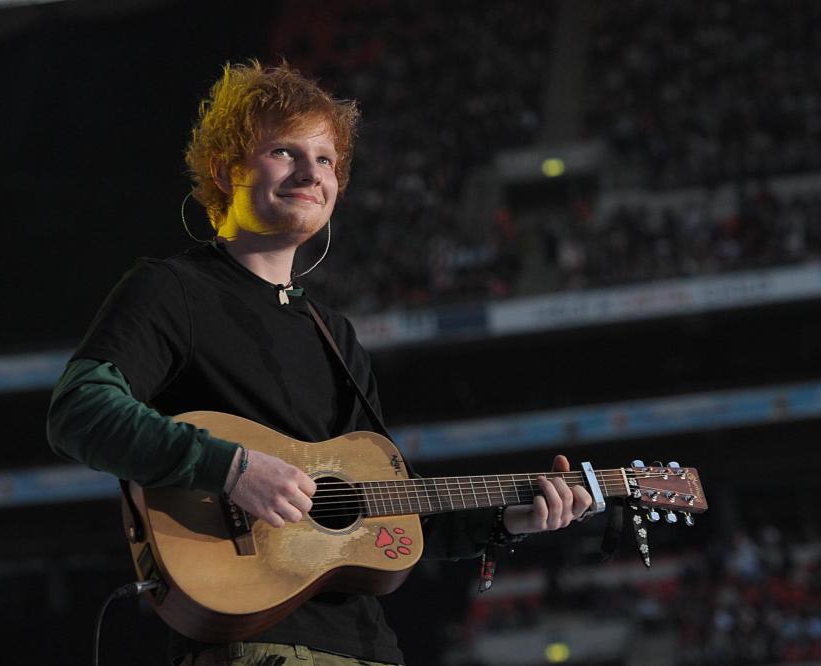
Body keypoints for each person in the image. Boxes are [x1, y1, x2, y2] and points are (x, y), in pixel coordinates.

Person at [46, 60, 593, 666]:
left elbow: (382, 514)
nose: (312, 173)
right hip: (254, 648)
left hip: (371, 649)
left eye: (327, 160)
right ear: (226, 170)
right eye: (285, 152)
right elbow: (79, 411)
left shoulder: (334, 334)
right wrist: (231, 468)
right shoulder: (170, 291)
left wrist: (508, 517)